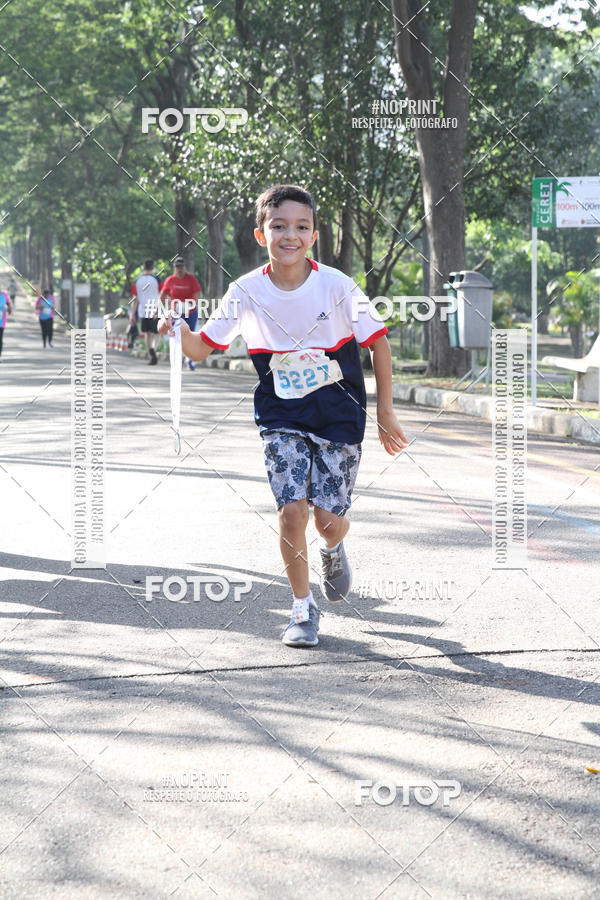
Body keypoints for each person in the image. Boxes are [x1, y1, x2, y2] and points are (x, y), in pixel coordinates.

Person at [159, 184, 409, 648]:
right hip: (281, 415)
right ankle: (302, 607)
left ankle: (333, 546)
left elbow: (378, 344)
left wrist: (386, 412)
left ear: (313, 236)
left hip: (339, 415)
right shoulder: (245, 291)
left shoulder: (337, 286)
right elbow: (200, 348)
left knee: (326, 520)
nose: (289, 235)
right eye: (279, 226)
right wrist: (177, 329)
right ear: (261, 235)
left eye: (301, 226)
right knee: (292, 512)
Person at [160, 256, 202, 370]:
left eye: (181, 267)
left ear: (184, 267)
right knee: (177, 335)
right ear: (174, 268)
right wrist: (160, 308)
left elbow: (198, 294)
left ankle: (190, 361)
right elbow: (162, 295)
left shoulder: (191, 279)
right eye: (177, 267)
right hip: (176, 312)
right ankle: (176, 359)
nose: (179, 269)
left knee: (190, 335)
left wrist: (196, 304)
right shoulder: (170, 280)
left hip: (190, 311)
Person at [130, 259, 162, 365]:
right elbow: (162, 295)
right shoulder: (157, 280)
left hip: (143, 310)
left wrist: (132, 314)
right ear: (152, 268)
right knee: (157, 333)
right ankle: (154, 349)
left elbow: (134, 300)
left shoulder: (137, 281)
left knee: (147, 334)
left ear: (143, 268)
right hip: (155, 310)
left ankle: (150, 355)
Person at [0, 289, 10, 361]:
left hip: (1, 323)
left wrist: (9, 309)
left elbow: (9, 305)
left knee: (0, 339)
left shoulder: (4, 295)